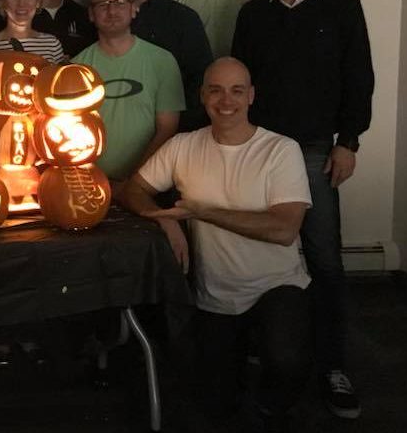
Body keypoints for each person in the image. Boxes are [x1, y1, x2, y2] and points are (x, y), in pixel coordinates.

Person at [232, 0, 374, 420]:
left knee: (324, 257)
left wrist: (349, 142)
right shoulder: (252, 13)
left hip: (316, 149)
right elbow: (240, 83)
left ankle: (334, 363)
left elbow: (359, 76)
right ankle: (267, 347)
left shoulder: (342, 6)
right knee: (263, 250)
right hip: (261, 150)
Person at [123, 57, 312, 431]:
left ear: (252, 96)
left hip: (278, 285)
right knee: (215, 404)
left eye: (237, 91)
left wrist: (203, 212)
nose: (226, 100)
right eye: (216, 90)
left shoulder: (280, 150)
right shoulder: (183, 146)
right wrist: (164, 220)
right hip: (216, 295)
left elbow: (283, 230)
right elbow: (134, 190)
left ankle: (274, 405)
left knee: (286, 361)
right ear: (202, 96)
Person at [72, 0, 184, 191]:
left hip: (149, 184)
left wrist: (135, 180)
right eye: (102, 5)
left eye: (120, 2)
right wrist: (94, 179)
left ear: (134, 9)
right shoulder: (75, 68)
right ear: (91, 14)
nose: (112, 10)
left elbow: (167, 128)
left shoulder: (162, 61)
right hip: (89, 183)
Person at [121, 0, 212, 131]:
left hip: (174, 131)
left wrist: (180, 129)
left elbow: (200, 79)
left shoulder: (184, 19)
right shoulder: (109, 16)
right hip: (120, 126)